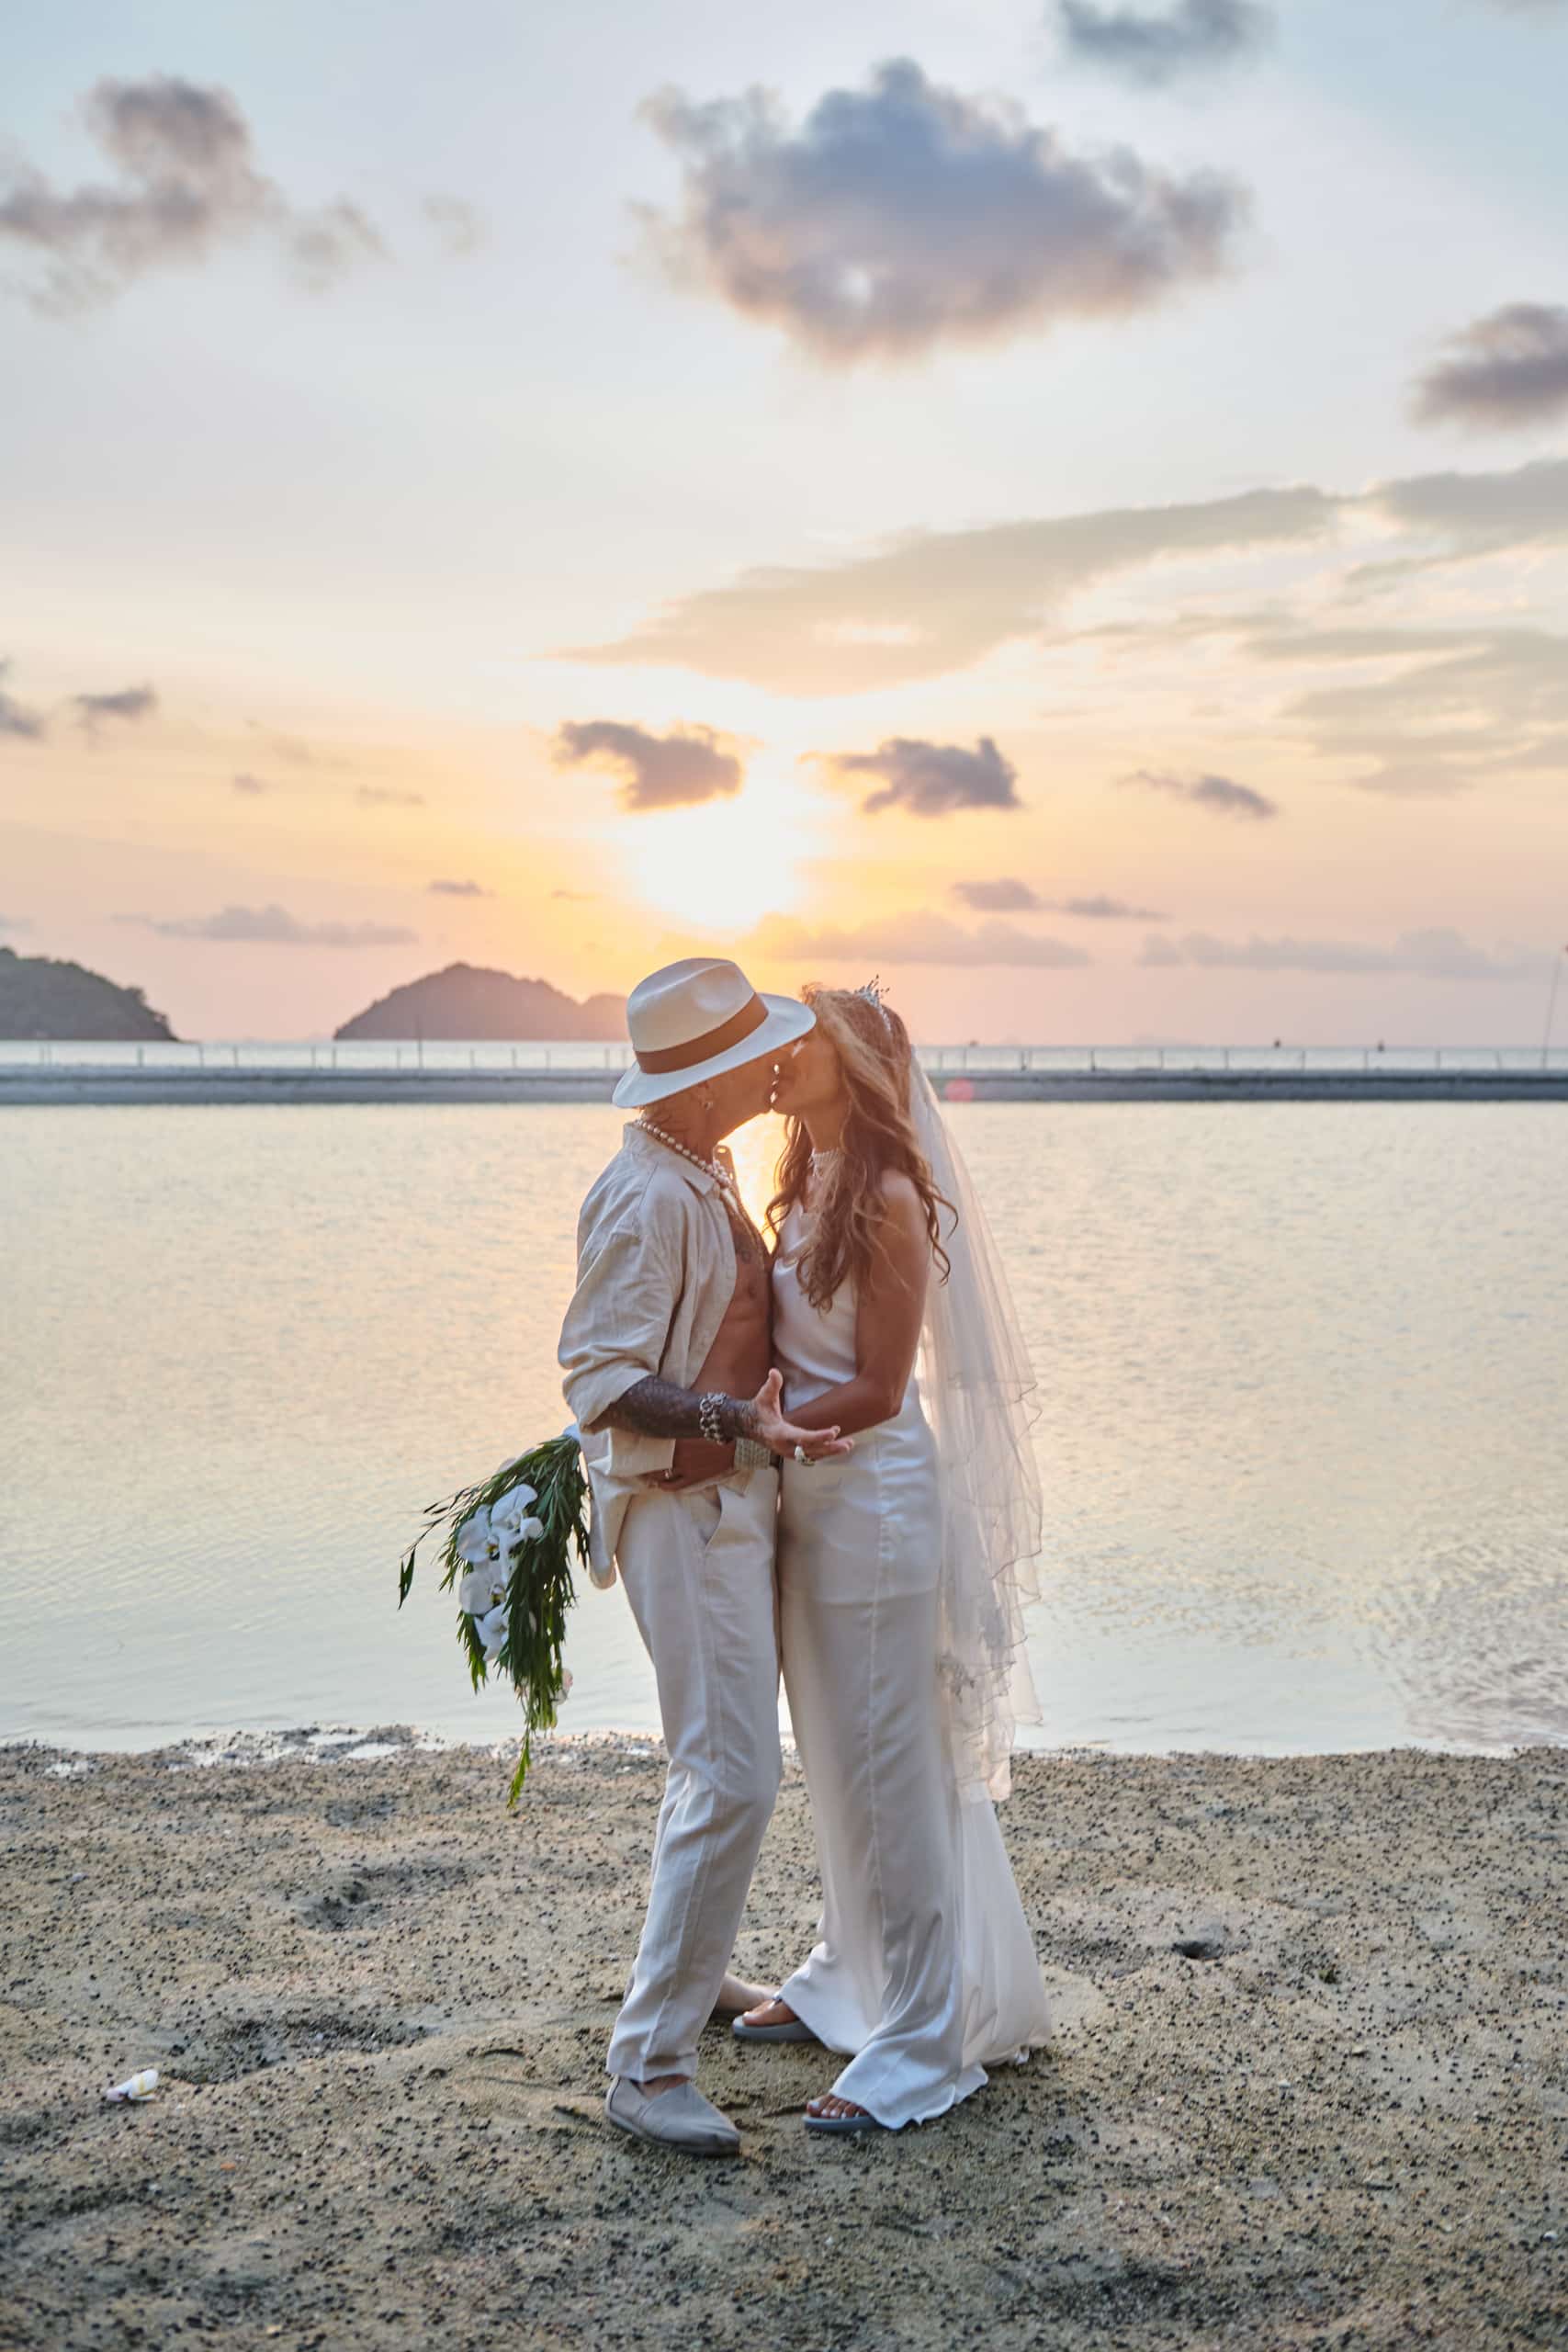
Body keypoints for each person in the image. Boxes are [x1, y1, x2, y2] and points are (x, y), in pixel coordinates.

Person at [735, 982, 1051, 2132]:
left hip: (873, 1505)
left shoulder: (886, 1195)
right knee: (836, 1757)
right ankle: (844, 1977)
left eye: (798, 1041)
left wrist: (755, 1421)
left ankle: (919, 2039)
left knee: (895, 1772)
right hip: (812, 1502)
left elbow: (876, 1388)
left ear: (854, 1065)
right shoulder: (802, 1182)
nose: (775, 1055)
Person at [558, 956, 851, 2159]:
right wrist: (738, 1424)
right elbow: (599, 1379)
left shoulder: (697, 1166)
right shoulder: (644, 1196)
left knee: (717, 1766)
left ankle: (688, 1984)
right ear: (711, 1077)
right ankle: (648, 2065)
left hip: (726, 1507)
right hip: (682, 1513)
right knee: (729, 1778)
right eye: (758, 1054)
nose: (776, 1066)